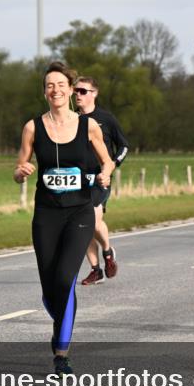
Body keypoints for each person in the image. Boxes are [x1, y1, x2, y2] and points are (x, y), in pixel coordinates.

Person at [14, 62, 114, 374]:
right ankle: (63, 322)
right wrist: (22, 172)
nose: (55, 90)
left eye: (60, 84)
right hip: (46, 215)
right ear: (44, 92)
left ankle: (61, 352)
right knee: (49, 288)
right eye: (49, 85)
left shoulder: (88, 126)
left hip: (79, 213)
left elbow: (106, 161)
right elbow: (19, 169)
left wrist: (105, 175)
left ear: (70, 90)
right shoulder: (33, 127)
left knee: (65, 278)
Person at [74, 76, 128, 285]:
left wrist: (112, 165)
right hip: (77, 180)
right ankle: (96, 270)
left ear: (94, 94)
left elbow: (124, 146)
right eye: (76, 91)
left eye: (83, 91)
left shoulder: (106, 118)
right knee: (82, 225)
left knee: (92, 220)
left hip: (100, 178)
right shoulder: (72, 120)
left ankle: (107, 253)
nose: (78, 94)